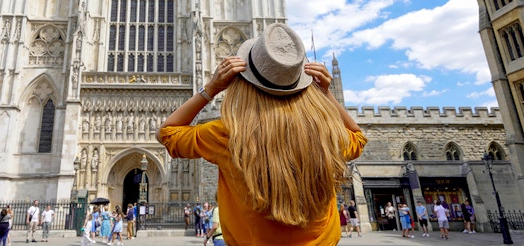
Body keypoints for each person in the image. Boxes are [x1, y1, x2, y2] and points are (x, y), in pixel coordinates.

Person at [157, 22, 367, 245]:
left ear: (245, 81)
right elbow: (359, 138)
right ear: (300, 81)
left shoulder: (229, 135)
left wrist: (211, 88)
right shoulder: (325, 134)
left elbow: (168, 133)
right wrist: (326, 94)